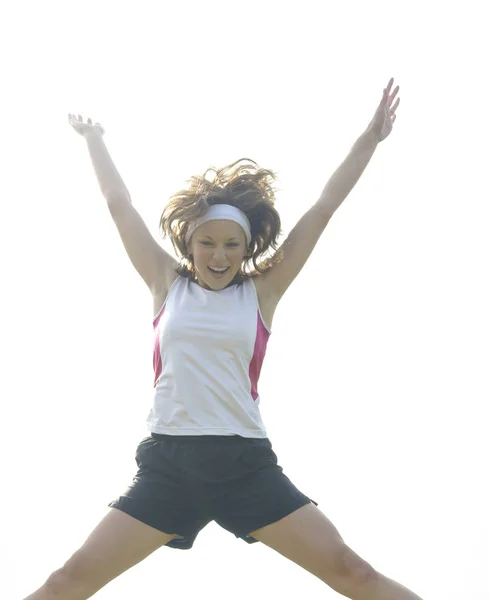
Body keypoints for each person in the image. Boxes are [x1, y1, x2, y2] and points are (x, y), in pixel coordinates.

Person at [24, 78, 424, 600]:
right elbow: (118, 203)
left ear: (245, 246)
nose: (218, 255)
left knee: (355, 574)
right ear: (188, 243)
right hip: (169, 466)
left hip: (245, 466)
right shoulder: (165, 283)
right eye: (206, 242)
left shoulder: (262, 292)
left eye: (231, 245)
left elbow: (323, 208)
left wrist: (369, 138)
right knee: (66, 581)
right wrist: (94, 138)